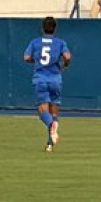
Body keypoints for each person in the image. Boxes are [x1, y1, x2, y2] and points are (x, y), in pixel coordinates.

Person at [23, 16, 72, 152]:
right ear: (55, 28)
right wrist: (65, 65)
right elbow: (67, 56)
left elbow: (26, 57)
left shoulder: (35, 42)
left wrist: (35, 60)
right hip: (56, 79)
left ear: (42, 28)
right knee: (54, 111)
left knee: (43, 111)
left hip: (41, 79)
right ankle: (50, 143)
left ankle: (51, 125)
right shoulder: (60, 42)